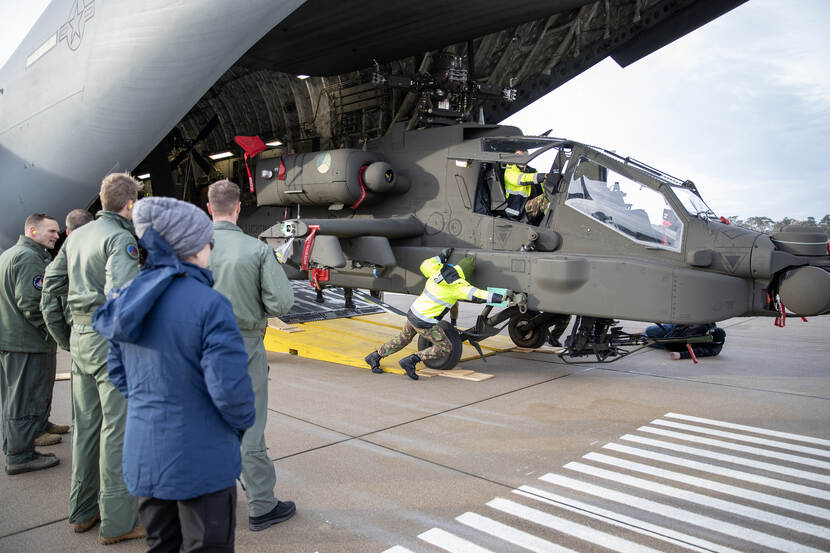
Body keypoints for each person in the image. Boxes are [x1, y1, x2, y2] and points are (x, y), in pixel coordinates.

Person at [92, 196, 256, 553]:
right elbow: (230, 391)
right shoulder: (210, 304)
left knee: (160, 544)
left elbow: (118, 373)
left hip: (144, 454)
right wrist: (237, 428)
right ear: (194, 248)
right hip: (202, 459)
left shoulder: (129, 299)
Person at [41, 173, 144, 543]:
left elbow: (50, 291)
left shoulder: (77, 236)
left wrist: (64, 337)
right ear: (129, 204)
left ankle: (82, 511)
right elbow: (123, 298)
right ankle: (118, 522)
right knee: (118, 430)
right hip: (110, 342)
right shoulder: (120, 238)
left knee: (86, 427)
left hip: (81, 339)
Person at [206, 179, 297, 531]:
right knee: (249, 425)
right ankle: (261, 505)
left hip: (197, 347)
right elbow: (282, 302)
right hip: (241, 345)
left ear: (208, 206)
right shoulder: (255, 250)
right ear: (239, 207)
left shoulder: (189, 247)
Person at [365, 249, 513, 379]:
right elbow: (480, 294)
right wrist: (504, 297)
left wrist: (441, 256)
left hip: (413, 312)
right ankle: (412, 360)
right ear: (465, 274)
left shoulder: (436, 270)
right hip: (424, 321)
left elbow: (425, 264)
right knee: (445, 347)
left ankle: (375, 356)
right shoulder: (458, 286)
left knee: (403, 339)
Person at [0, 213, 62, 475]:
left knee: (16, 397)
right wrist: (56, 332)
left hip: (14, 339)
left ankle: (23, 444)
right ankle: (20, 455)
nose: (56, 236)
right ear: (33, 231)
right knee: (24, 398)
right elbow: (33, 305)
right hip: (27, 342)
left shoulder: (11, 254)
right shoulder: (28, 258)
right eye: (51, 231)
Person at [503, 150, 547, 221]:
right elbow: (523, 178)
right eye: (519, 156)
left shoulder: (532, 171)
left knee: (552, 199)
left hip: (529, 206)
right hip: (519, 210)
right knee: (544, 200)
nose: (522, 159)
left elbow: (543, 188)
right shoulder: (510, 171)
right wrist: (542, 176)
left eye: (525, 157)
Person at [644, 323, 726, 360]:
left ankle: (643, 335)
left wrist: (680, 355)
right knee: (649, 330)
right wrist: (678, 326)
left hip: (672, 344)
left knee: (646, 340)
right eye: (708, 332)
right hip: (674, 329)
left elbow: (698, 352)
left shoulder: (714, 349)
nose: (706, 333)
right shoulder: (708, 323)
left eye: (707, 335)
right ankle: (644, 333)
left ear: (712, 341)